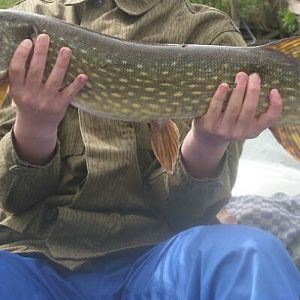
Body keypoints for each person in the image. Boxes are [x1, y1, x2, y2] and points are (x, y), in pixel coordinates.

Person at [0, 0, 299, 299]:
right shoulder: (32, 19)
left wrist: (206, 144)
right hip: (34, 256)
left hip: (161, 258)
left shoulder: (210, 34)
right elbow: (12, 199)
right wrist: (34, 127)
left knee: (252, 256)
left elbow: (190, 213)